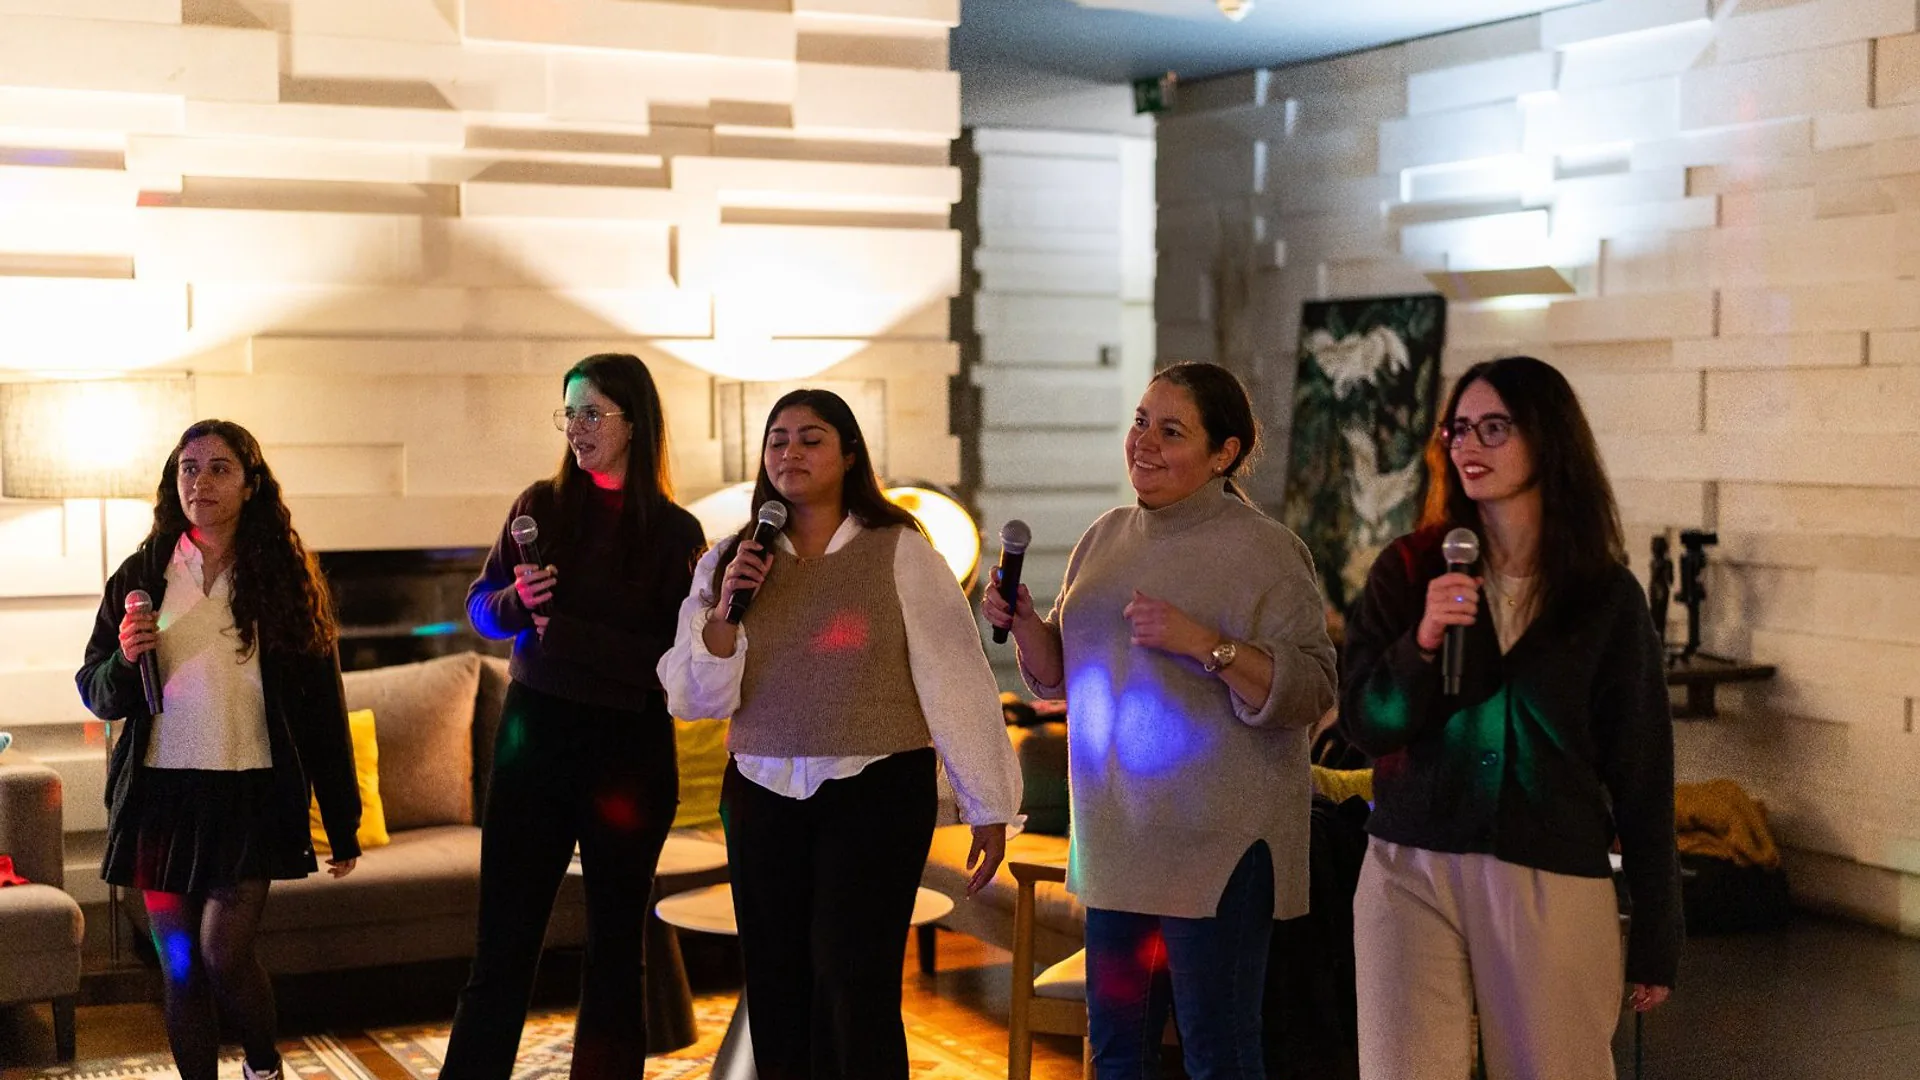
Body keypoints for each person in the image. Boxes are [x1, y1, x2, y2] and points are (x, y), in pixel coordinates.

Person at [984, 361, 1338, 1080]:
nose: (1144, 441)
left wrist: (1205, 643)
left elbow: (1312, 689)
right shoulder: (1105, 536)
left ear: (1224, 454)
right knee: (1116, 1051)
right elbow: (1059, 676)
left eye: (1171, 430)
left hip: (1220, 851)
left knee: (1219, 1054)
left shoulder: (1267, 552)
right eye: (1141, 421)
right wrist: (1025, 626)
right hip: (1118, 845)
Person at [658, 388, 1020, 1080]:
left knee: (853, 981)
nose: (790, 452)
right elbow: (693, 699)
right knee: (776, 983)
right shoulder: (730, 561)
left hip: (877, 790)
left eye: (811, 438)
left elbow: (959, 682)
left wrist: (989, 805)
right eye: (779, 440)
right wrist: (726, 613)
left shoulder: (902, 552)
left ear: (850, 454)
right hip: (761, 791)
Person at [1339, 355, 1683, 1080]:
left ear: (1547, 439)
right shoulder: (1410, 571)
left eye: (1493, 428)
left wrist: (1658, 928)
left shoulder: (1604, 597)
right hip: (1410, 865)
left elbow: (1643, 772)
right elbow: (1367, 722)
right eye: (1458, 428)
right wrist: (1421, 643)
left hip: (1548, 872)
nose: (1468, 446)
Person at [446, 353, 706, 1080]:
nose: (577, 428)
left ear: (635, 423)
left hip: (629, 755)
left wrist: (563, 634)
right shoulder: (540, 504)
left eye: (593, 413)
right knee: (502, 947)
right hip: (535, 742)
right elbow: (479, 607)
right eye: (569, 412)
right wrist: (514, 607)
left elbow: (670, 662)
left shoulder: (676, 534)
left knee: (617, 951)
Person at [77, 420, 362, 1080]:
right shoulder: (143, 574)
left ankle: (263, 1067)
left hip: (249, 793)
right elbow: (96, 690)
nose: (200, 481)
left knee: (223, 952)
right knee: (178, 964)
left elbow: (323, 711)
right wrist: (124, 660)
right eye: (189, 468)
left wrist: (340, 821)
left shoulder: (287, 580)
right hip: (160, 797)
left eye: (219, 468)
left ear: (250, 483)